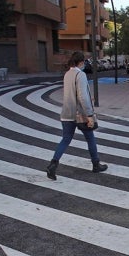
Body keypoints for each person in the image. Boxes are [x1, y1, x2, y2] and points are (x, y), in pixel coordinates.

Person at [46, 51, 107, 180]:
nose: (85, 64)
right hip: (80, 114)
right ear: (81, 62)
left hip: (66, 112)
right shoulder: (81, 74)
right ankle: (96, 165)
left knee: (65, 139)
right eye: (84, 62)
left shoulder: (67, 74)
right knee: (90, 138)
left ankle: (53, 164)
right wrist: (90, 115)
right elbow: (82, 98)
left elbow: (72, 93)